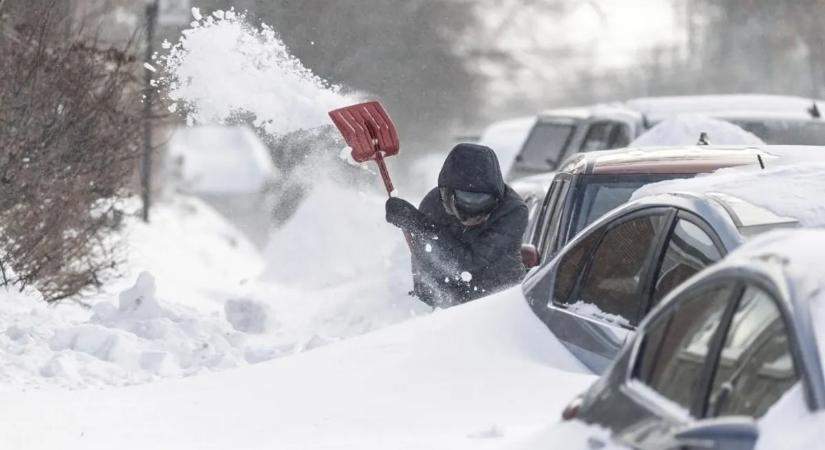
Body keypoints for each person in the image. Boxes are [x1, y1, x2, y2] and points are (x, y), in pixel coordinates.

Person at [385, 143, 528, 307]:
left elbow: (467, 265)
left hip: (499, 303)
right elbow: (424, 259)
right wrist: (426, 296)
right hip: (445, 309)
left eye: (483, 205)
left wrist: (419, 224)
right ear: (447, 197)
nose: (473, 217)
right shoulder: (433, 204)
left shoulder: (513, 211)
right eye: (465, 206)